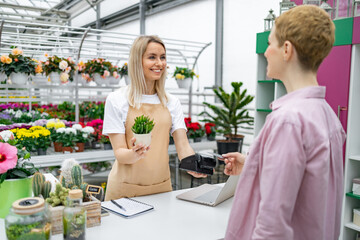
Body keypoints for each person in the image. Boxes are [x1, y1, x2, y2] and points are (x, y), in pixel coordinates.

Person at [223, 5, 346, 240]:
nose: (267, 52)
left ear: (287, 49)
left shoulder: (288, 121)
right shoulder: (327, 115)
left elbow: (273, 227)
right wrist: (252, 165)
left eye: (271, 43)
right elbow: (307, 186)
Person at [102, 35, 205, 201]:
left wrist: (193, 164)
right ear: (137, 61)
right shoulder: (117, 99)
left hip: (161, 188)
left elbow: (183, 145)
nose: (159, 63)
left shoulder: (171, 102)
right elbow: (120, 153)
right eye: (152, 57)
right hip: (125, 190)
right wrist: (134, 154)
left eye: (162, 57)